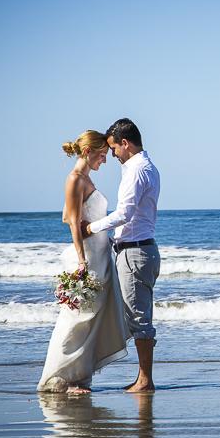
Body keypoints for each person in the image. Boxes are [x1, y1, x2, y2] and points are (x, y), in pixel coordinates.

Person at [38, 131, 131, 394]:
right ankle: (59, 379)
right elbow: (73, 225)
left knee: (91, 321)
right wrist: (81, 261)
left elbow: (68, 216)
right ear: (88, 152)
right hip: (88, 257)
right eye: (102, 155)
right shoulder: (75, 179)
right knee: (76, 319)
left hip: (102, 255)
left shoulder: (85, 179)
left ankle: (78, 376)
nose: (105, 160)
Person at [82, 118, 161, 392]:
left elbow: (124, 214)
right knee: (138, 315)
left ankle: (145, 380)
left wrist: (90, 227)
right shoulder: (147, 167)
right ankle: (144, 378)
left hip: (135, 252)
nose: (112, 155)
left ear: (125, 144)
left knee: (138, 317)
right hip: (142, 250)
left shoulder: (136, 170)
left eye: (114, 148)